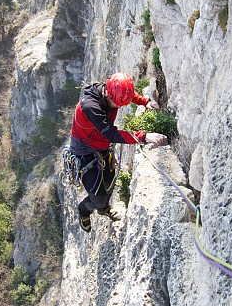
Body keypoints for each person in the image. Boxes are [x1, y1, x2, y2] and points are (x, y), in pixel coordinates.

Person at [68, 72, 168, 232]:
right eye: (118, 105)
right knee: (98, 197)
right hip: (83, 151)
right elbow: (112, 133)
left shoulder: (113, 90)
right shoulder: (90, 107)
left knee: (108, 182)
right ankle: (84, 210)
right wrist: (144, 136)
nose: (120, 107)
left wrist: (145, 102)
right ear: (109, 96)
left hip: (101, 145)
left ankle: (103, 208)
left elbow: (128, 94)